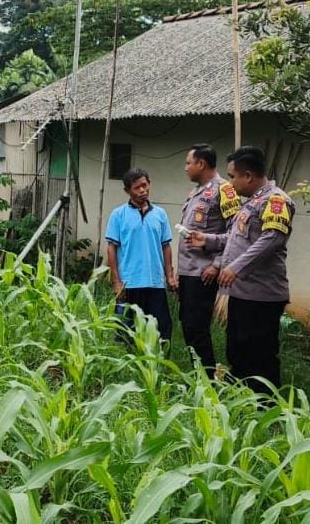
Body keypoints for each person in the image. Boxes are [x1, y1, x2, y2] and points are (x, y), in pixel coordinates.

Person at [187, 146, 295, 396]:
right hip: (242, 293)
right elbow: (235, 239)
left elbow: (272, 238)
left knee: (259, 354)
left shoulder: (275, 200)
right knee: (237, 350)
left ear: (248, 176)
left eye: (233, 176)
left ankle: (265, 405)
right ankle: (244, 401)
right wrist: (207, 239)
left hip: (261, 295)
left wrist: (235, 267)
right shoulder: (251, 204)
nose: (230, 182)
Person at [176, 144, 239, 373]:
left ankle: (207, 378)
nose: (185, 168)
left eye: (188, 163)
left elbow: (236, 234)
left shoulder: (225, 190)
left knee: (197, 328)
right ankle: (198, 376)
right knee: (188, 326)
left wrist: (217, 264)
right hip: (188, 271)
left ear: (201, 164)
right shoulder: (196, 191)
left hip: (204, 273)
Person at [105, 167, 177, 343]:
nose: (143, 190)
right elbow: (111, 248)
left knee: (161, 332)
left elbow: (166, 246)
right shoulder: (118, 215)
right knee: (127, 334)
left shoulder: (160, 214)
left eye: (145, 185)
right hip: (129, 283)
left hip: (155, 283)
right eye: (137, 187)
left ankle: (157, 361)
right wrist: (116, 281)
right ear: (127, 191)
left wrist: (169, 275)